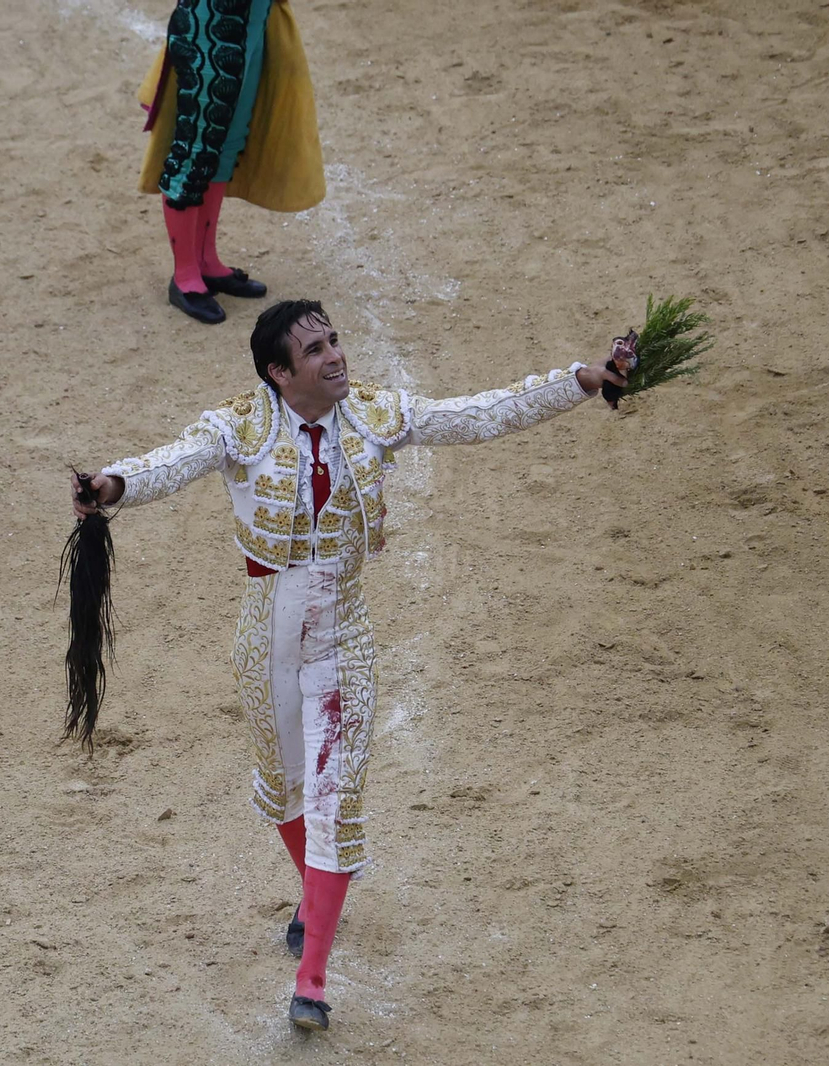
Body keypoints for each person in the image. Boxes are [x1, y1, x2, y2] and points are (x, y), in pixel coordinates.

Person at [71, 300, 628, 1031]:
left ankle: (312, 980)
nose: (335, 356)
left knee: (336, 801)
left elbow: (474, 414)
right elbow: (172, 462)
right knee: (285, 789)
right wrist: (112, 486)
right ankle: (317, 895)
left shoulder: (370, 412)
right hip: (266, 635)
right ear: (279, 372)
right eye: (315, 350)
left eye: (335, 341)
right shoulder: (239, 424)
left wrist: (582, 380)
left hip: (345, 637)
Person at [137, 0, 325, 324]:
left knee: (227, 142)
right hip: (210, 26)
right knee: (195, 151)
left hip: (254, 20)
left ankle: (206, 262)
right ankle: (184, 276)